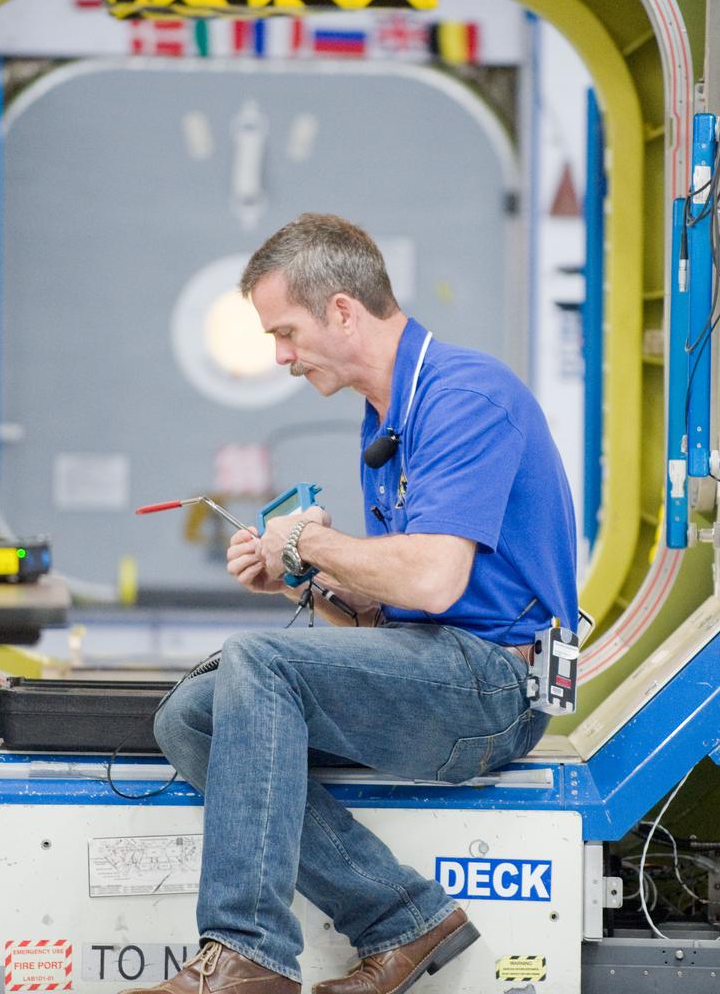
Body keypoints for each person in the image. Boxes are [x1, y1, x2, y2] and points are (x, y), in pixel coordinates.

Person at [126, 213, 577, 994]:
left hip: (497, 688)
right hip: (444, 667)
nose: (281, 356)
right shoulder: (386, 417)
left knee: (258, 660)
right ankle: (403, 918)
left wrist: (309, 539)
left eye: (286, 333)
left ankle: (248, 952)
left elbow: (433, 582)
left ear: (341, 310)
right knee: (190, 716)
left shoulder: (465, 397)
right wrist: (306, 581)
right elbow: (392, 615)